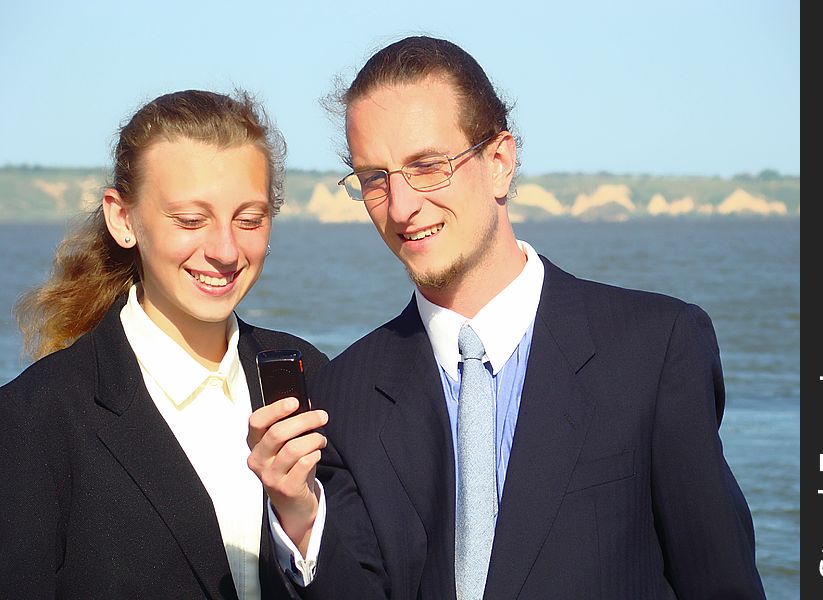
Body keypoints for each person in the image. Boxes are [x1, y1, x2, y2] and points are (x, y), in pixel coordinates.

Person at [249, 36, 766, 599]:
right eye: (375, 177)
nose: (400, 206)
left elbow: (721, 583)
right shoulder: (343, 392)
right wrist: (299, 518)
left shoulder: (654, 349)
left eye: (427, 167)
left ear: (499, 162)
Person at [0, 90, 329, 599]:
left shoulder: (314, 376)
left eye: (250, 219)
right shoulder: (34, 417)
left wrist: (301, 522)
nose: (224, 250)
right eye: (190, 221)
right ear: (122, 219)